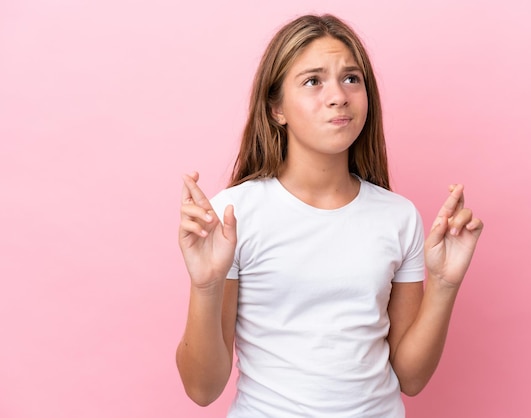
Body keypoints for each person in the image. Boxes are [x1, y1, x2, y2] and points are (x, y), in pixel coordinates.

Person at [176, 13, 483, 417]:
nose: (338, 95)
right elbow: (202, 389)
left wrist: (443, 283)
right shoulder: (233, 216)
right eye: (313, 81)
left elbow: (411, 378)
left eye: (351, 78)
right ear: (276, 109)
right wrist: (205, 285)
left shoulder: (398, 217)